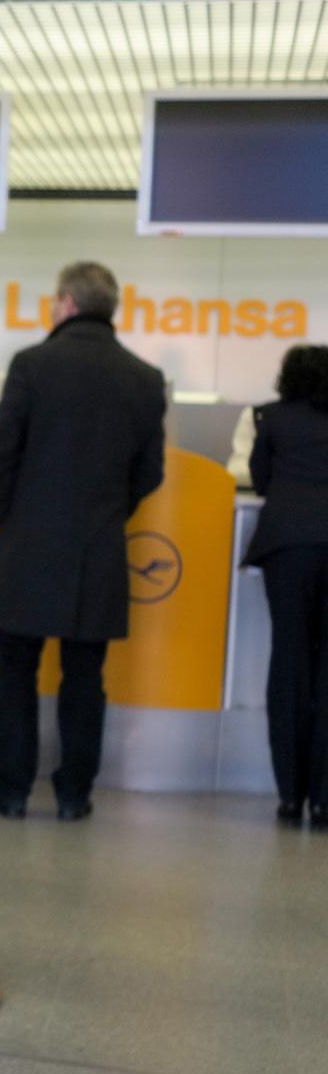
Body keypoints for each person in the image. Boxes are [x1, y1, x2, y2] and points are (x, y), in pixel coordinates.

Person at [0, 261, 165, 820]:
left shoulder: (32, 364)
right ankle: (74, 794)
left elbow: (2, 450)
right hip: (98, 548)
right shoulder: (144, 377)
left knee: (16, 670)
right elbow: (149, 472)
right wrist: (109, 514)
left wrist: (13, 517)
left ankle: (11, 790)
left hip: (28, 545)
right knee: (86, 675)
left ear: (65, 303)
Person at [242, 345, 328, 828]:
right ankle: (325, 798)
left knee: (290, 660)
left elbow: (260, 481)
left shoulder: (270, 418)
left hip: (289, 545)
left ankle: (290, 797)